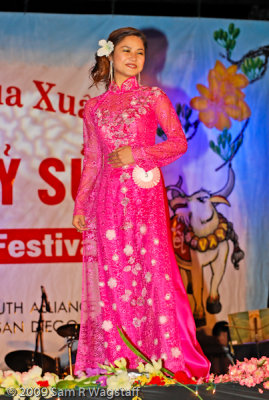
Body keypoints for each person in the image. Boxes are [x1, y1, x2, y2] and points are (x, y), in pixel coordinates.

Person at [72, 27, 210, 378]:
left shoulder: (153, 97)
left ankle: (156, 362)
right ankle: (118, 366)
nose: (134, 58)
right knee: (114, 279)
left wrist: (137, 153)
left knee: (149, 274)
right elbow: (92, 160)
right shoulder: (94, 108)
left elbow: (178, 142)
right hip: (106, 199)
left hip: (142, 194)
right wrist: (80, 204)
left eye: (140, 53)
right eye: (126, 51)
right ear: (110, 56)